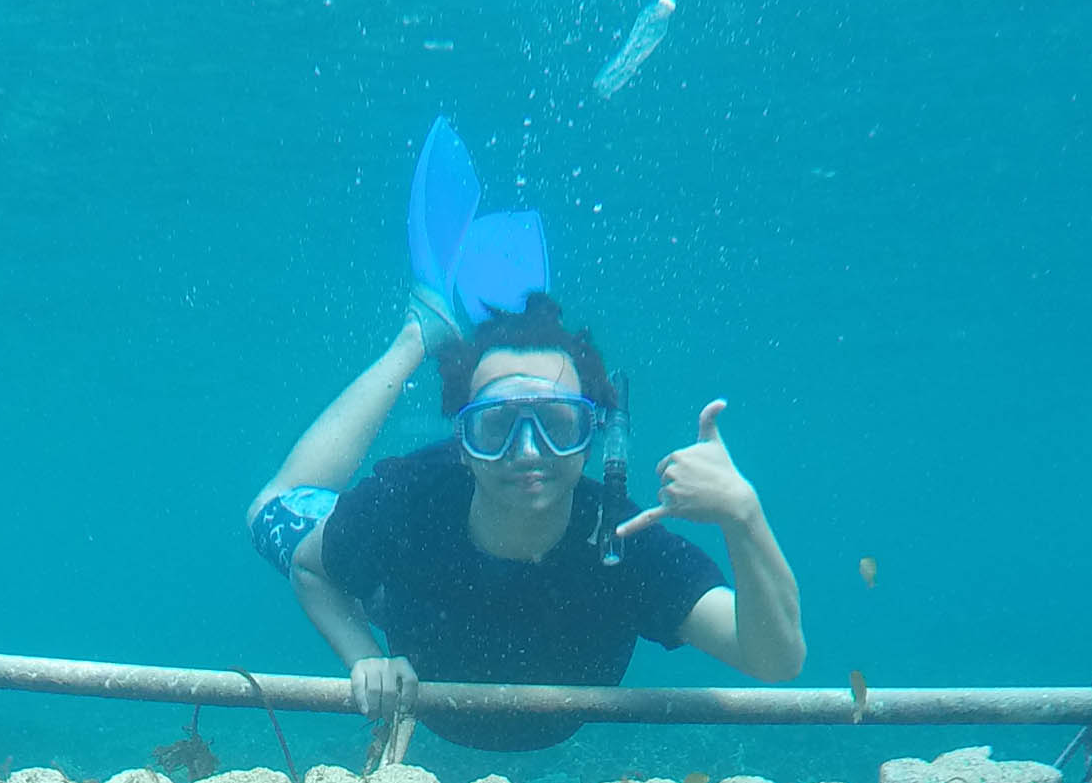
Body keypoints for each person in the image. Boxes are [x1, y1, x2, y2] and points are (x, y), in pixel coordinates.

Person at [247, 291, 803, 753]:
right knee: (272, 511)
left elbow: (773, 659)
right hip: (397, 591)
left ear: (594, 441)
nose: (528, 452)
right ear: (463, 445)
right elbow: (311, 569)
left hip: (491, 683)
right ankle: (415, 338)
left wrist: (743, 517)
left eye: (559, 424)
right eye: (498, 426)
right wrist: (364, 658)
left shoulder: (624, 540)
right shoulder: (409, 499)